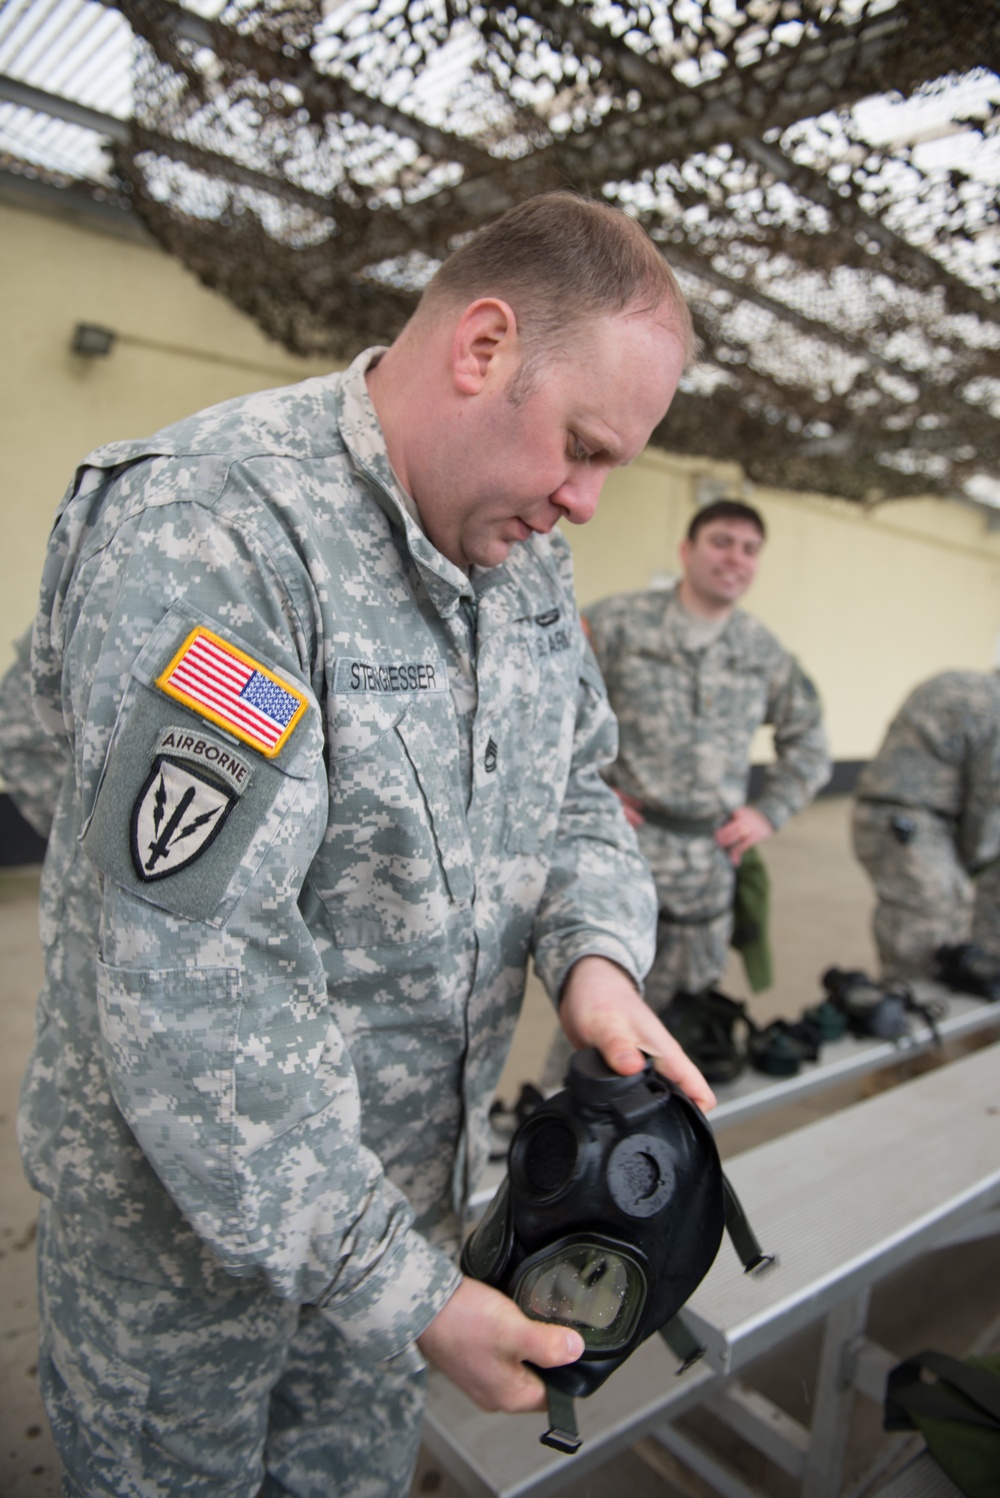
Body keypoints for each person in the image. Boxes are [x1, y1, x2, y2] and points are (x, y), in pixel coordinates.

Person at [2, 191, 715, 1498]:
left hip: (403, 1224)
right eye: (584, 446)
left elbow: (575, 790)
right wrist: (400, 1284)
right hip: (189, 1261)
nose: (590, 499)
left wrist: (596, 958)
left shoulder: (522, 553)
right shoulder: (218, 532)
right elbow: (188, 977)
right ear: (483, 346)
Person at [560, 500, 830, 1039]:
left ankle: (674, 1123)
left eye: (750, 549)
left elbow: (810, 742)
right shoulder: (617, 623)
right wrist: (580, 788)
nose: (736, 558)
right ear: (687, 551)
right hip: (622, 854)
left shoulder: (761, 651)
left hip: (709, 869)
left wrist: (767, 813)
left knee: (690, 1020)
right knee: (602, 1018)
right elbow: (544, 710)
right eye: (721, 542)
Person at [851, 669, 1000, 982]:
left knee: (935, 914)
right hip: (910, 820)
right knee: (927, 925)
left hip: (887, 812)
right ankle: (917, 1010)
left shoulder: (968, 684)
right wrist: (973, 861)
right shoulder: (992, 704)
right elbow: (987, 805)